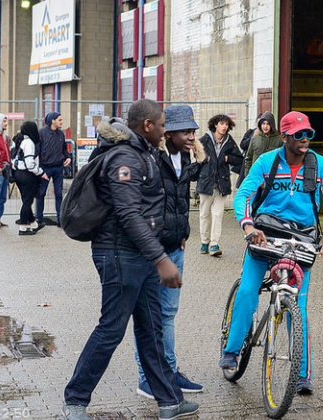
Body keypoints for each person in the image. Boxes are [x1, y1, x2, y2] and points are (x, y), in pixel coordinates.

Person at [62, 99, 199, 420]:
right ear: (147, 125)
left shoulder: (143, 153)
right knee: (111, 329)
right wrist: (162, 259)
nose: (166, 131)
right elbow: (128, 213)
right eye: (163, 125)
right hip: (119, 254)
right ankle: (75, 400)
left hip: (142, 255)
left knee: (151, 329)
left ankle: (169, 401)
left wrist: (157, 256)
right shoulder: (125, 157)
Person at [219, 111, 323, 395]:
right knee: (248, 290)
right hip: (264, 236)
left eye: (309, 135)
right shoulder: (267, 162)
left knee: (297, 307)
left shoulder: (320, 166)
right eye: (299, 135)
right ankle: (232, 349)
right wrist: (248, 225)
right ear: (285, 136)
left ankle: (301, 375)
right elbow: (243, 195)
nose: (305, 140)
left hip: (302, 241)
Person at [134, 105, 205, 399]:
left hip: (176, 246)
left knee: (168, 313)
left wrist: (183, 233)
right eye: (186, 132)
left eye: (193, 132)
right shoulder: (153, 157)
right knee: (151, 316)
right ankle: (147, 379)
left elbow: (180, 202)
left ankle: (169, 372)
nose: (191, 136)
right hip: (154, 251)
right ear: (169, 132)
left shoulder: (186, 158)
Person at [197, 114, 243, 257]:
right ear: (215, 125)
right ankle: (204, 242)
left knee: (217, 214)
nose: (224, 127)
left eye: (227, 124)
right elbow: (196, 157)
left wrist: (228, 158)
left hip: (222, 183)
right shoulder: (204, 140)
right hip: (206, 182)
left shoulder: (229, 142)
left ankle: (214, 244)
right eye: (222, 124)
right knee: (204, 214)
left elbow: (239, 159)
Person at [12, 122, 49, 235]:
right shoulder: (29, 143)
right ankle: (23, 227)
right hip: (27, 175)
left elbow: (13, 158)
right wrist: (41, 172)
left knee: (25, 199)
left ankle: (33, 224)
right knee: (28, 202)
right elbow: (30, 163)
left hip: (17, 173)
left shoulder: (18, 140)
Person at [36, 112, 71, 227]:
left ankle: (60, 220)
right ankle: (39, 219)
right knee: (41, 194)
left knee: (59, 194)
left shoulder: (61, 134)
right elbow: (37, 152)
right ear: (53, 121)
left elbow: (64, 149)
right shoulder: (41, 133)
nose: (61, 122)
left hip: (58, 167)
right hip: (45, 167)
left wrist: (68, 157)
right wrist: (39, 170)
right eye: (59, 120)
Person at [244, 111, 283, 176]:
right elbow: (248, 159)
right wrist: (248, 176)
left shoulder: (279, 139)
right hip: (257, 175)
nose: (265, 126)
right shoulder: (255, 139)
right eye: (263, 123)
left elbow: (283, 159)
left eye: (268, 124)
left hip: (272, 176)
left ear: (272, 125)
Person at [235, 114, 262, 188]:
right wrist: (253, 137)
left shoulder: (267, 136)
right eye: (258, 123)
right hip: (248, 163)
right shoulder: (250, 132)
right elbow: (243, 145)